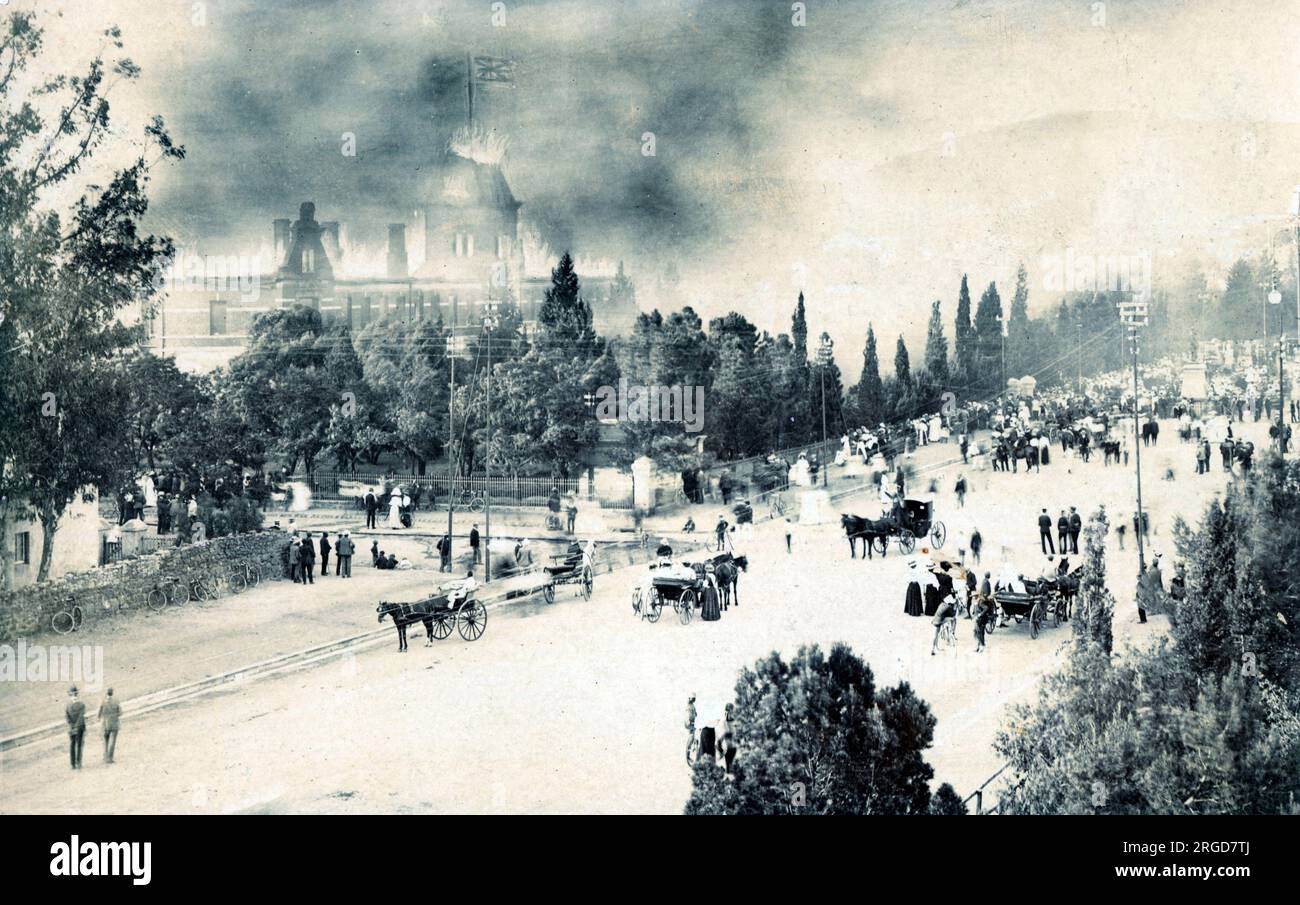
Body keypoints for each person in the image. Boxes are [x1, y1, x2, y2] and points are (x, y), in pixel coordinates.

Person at [65, 685, 86, 770]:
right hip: (80, 728)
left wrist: (72, 726)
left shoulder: (68, 705)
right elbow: (81, 716)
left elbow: (67, 717)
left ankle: (73, 764)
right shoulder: (81, 704)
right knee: (79, 745)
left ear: (70, 695)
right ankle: (78, 763)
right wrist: (77, 726)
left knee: (72, 745)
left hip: (71, 728)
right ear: (77, 694)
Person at [98, 688, 121, 764]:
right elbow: (120, 712)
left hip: (105, 724)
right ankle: (110, 758)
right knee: (112, 742)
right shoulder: (116, 701)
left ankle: (105, 757)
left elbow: (99, 714)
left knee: (105, 741)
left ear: (106, 694)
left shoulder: (102, 701)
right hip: (114, 723)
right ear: (112, 693)